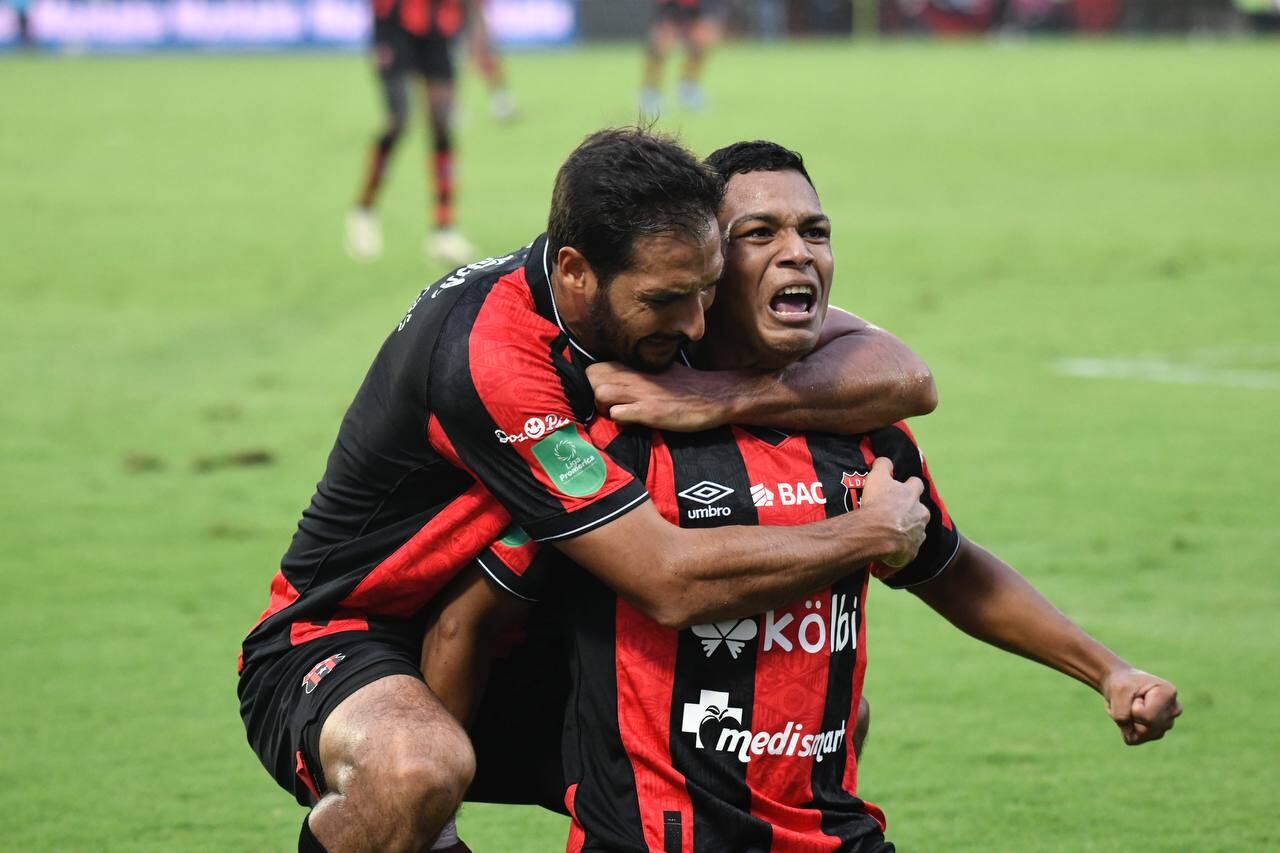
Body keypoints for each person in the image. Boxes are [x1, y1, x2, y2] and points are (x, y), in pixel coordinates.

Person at [424, 140, 1183, 851]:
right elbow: (469, 621)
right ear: (707, 265)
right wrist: (434, 821)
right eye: (760, 233)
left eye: (814, 231)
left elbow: (949, 566)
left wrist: (1108, 671)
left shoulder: (858, 429)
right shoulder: (618, 429)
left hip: (835, 832)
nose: (799, 252)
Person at [240, 127, 940, 853]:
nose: (698, 324)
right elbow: (666, 578)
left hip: (514, 626)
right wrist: (865, 533)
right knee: (416, 770)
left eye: (708, 290)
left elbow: (907, 376)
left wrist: (723, 393)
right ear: (575, 271)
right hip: (350, 634)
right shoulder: (492, 356)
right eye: (671, 300)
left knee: (812, 718)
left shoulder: (640, 273)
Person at [344, 0, 487, 265]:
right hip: (394, 25)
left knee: (442, 125)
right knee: (400, 120)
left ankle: (444, 231)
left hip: (437, 25)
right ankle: (364, 210)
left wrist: (466, 33)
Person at [639, 0, 725, 120]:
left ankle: (688, 90)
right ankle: (650, 94)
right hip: (669, 4)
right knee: (661, 44)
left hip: (695, 4)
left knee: (701, 41)